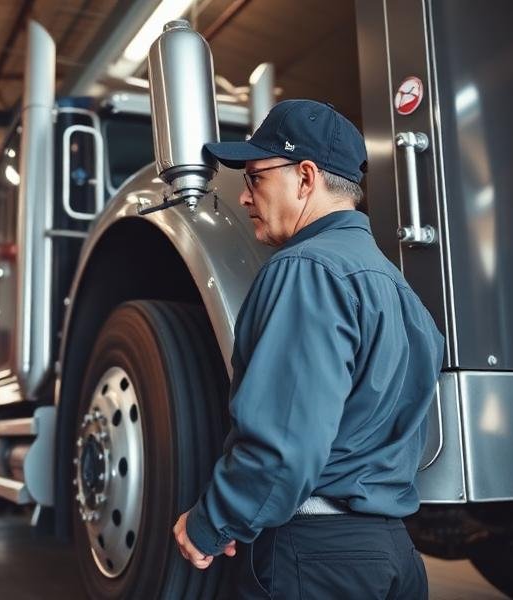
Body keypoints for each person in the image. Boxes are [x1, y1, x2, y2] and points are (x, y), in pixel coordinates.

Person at [172, 99, 444, 599]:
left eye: (255, 177)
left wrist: (212, 522)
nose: (245, 196)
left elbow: (283, 444)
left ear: (305, 177)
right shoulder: (399, 291)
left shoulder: (306, 271)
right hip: (393, 555)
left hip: (316, 559)